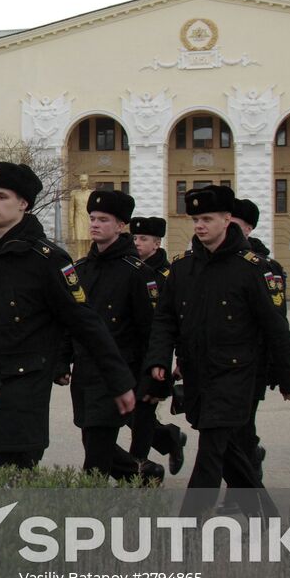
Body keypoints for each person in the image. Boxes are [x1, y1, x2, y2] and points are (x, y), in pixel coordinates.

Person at [0, 162, 136, 469]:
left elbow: (85, 323)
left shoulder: (48, 260)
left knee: (9, 482)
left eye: (2, 197)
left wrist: (119, 381)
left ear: (23, 203)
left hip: (22, 392)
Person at [144, 184, 290, 517]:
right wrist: (160, 359)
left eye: (207, 218)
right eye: (196, 219)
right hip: (197, 373)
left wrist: (289, 377)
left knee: (211, 450)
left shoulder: (252, 268)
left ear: (227, 219)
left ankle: (187, 528)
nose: (200, 225)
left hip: (235, 374)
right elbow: (166, 320)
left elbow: (275, 327)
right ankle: (267, 517)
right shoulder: (183, 268)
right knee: (229, 451)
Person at [70, 189, 166, 481]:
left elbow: (151, 330)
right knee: (92, 439)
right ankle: (142, 475)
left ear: (121, 225)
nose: (95, 224)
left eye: (104, 219)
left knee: (96, 451)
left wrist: (150, 378)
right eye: (92, 218)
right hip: (85, 371)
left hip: (118, 372)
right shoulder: (81, 269)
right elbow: (70, 319)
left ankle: (88, 510)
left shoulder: (137, 272)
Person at [229, 197, 287, 482]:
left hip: (253, 362)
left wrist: (281, 367)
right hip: (221, 362)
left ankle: (244, 487)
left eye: (235, 225)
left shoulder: (267, 267)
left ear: (249, 228)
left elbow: (276, 322)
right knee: (229, 431)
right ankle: (248, 469)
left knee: (240, 428)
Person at [127, 215, 186, 473]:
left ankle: (137, 465)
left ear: (157, 243)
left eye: (143, 239)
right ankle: (169, 437)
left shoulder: (167, 275)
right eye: (134, 238)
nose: (137, 243)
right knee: (128, 410)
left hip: (154, 355)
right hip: (127, 352)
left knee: (142, 411)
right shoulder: (128, 268)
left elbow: (176, 321)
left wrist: (178, 360)